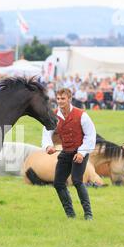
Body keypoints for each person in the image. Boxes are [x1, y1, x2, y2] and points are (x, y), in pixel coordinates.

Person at [42, 88, 96, 220]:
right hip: (66, 152)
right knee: (58, 183)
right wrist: (48, 146)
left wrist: (82, 153)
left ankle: (88, 214)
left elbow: (90, 135)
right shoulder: (54, 115)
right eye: (58, 99)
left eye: (63, 99)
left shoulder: (82, 115)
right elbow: (46, 132)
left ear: (69, 99)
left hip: (80, 152)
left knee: (77, 181)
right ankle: (70, 214)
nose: (60, 101)